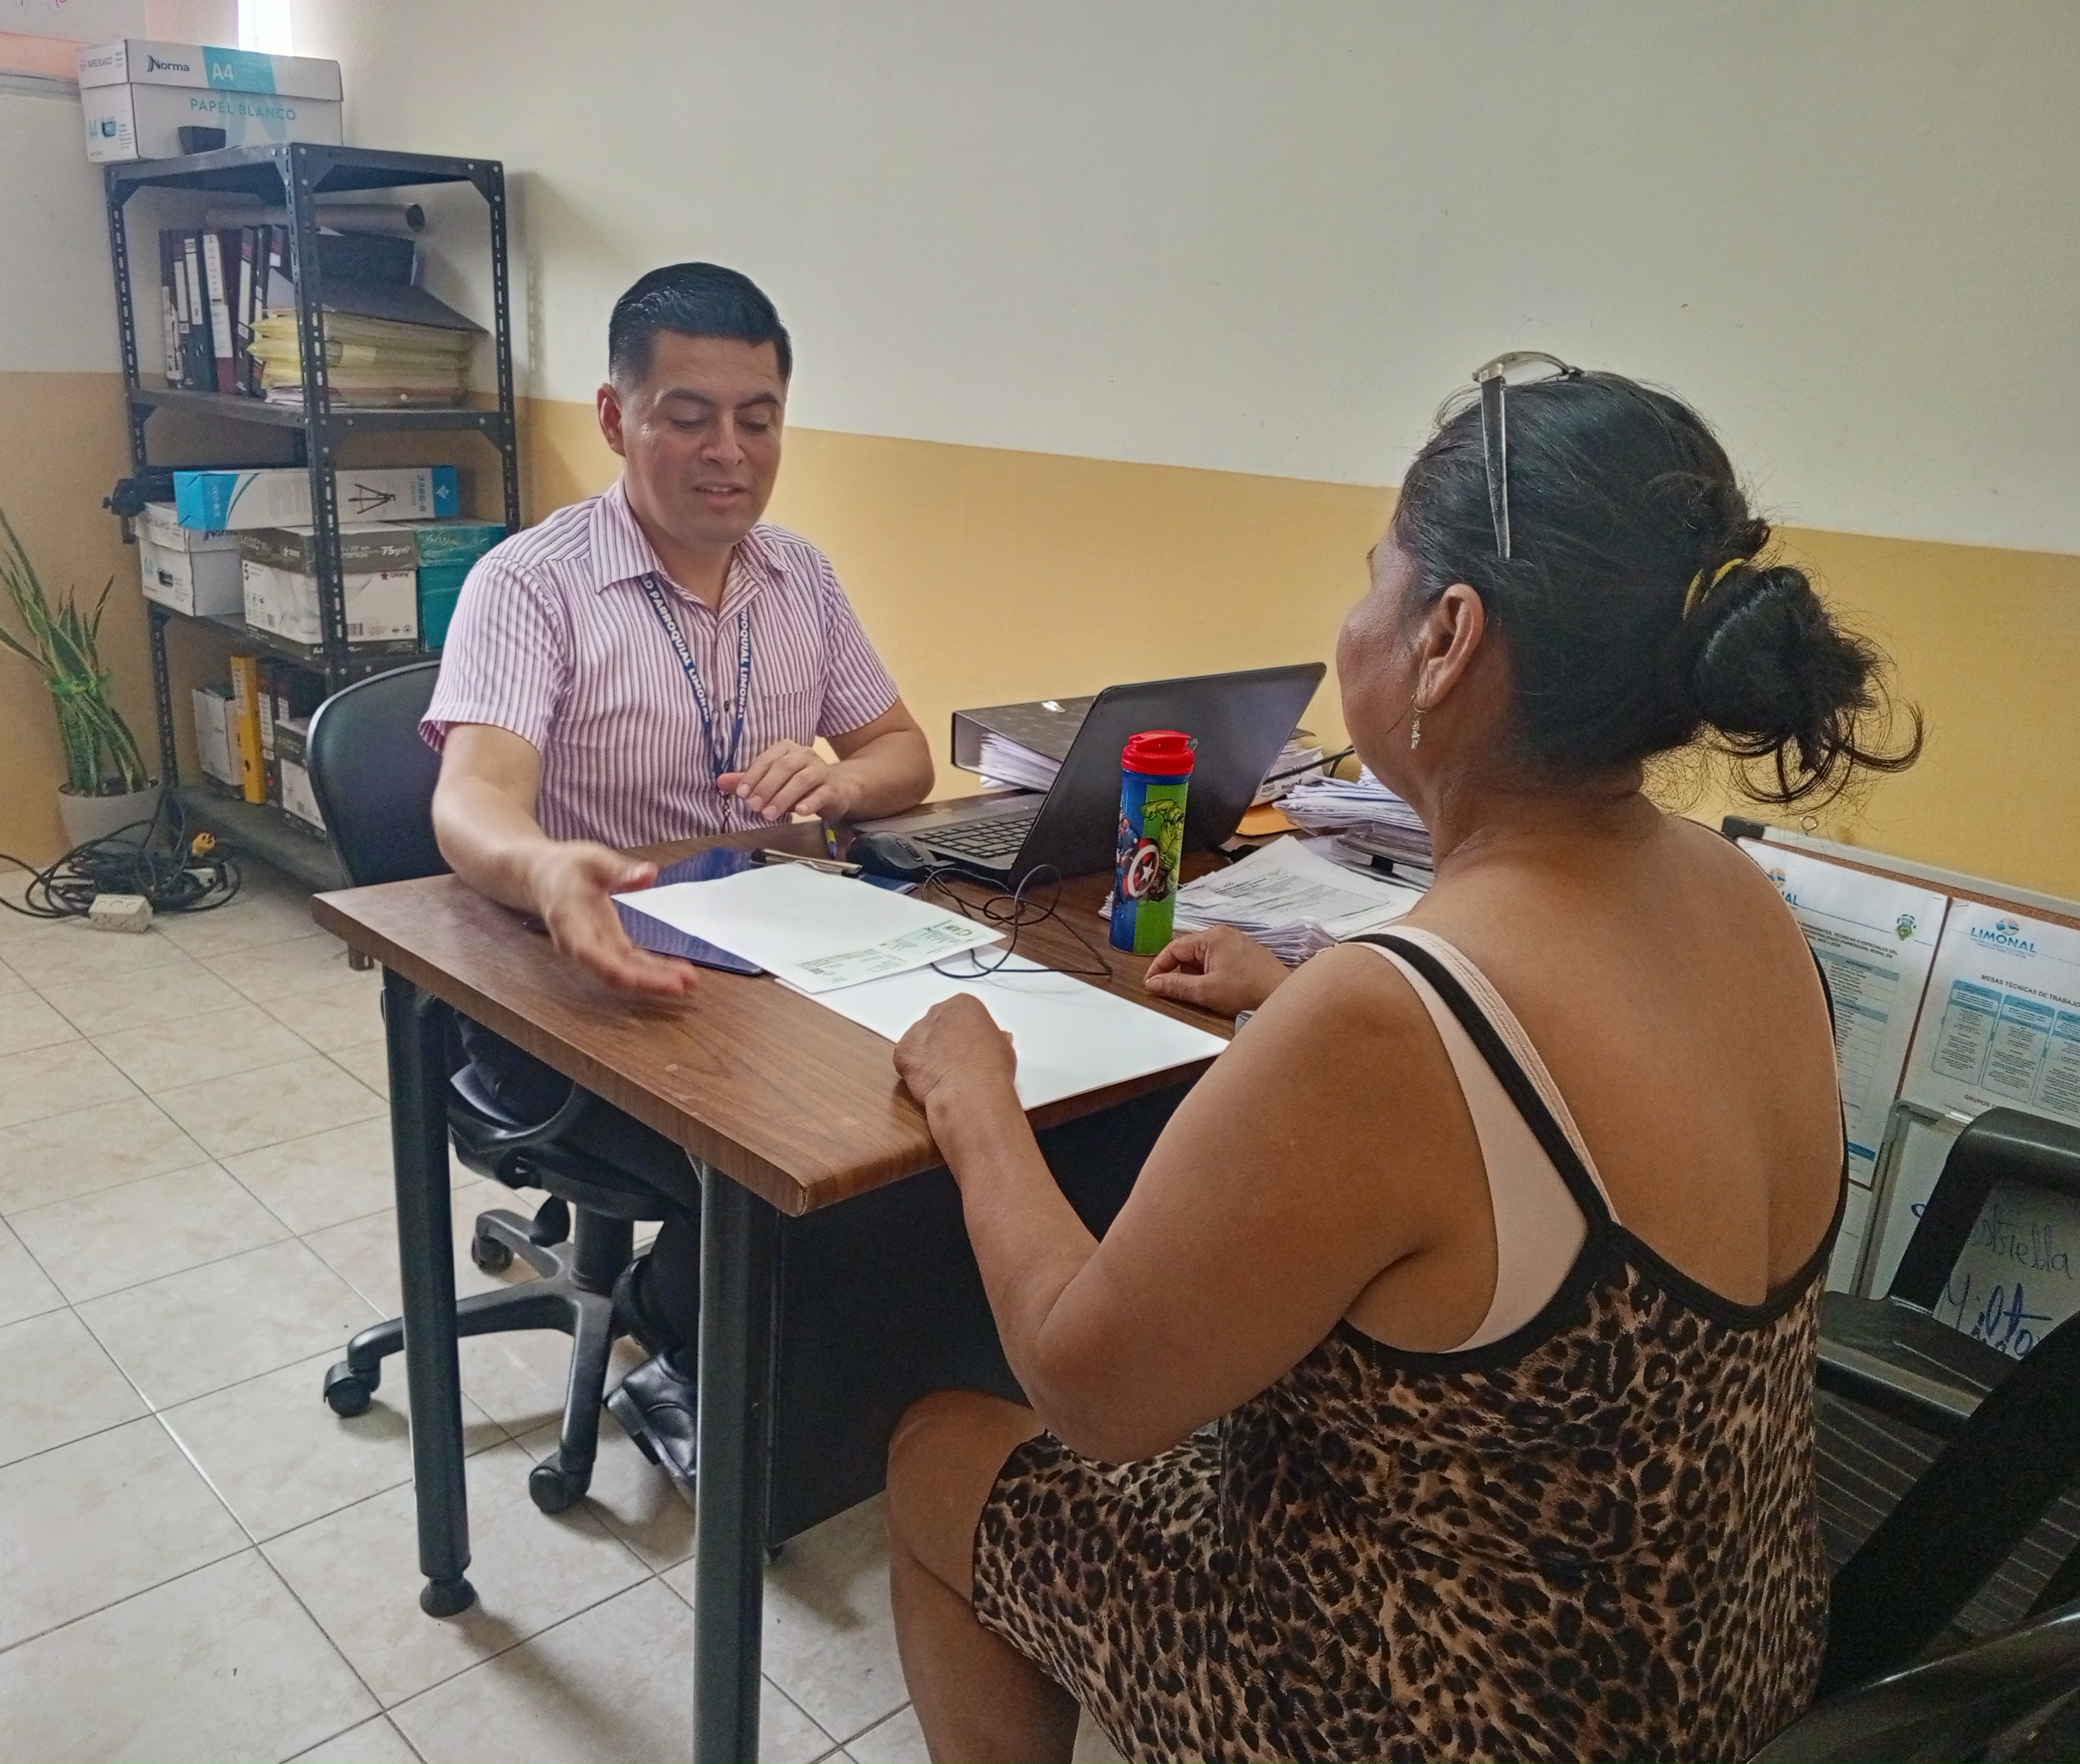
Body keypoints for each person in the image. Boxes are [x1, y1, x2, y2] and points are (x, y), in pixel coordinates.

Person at [881, 361, 1920, 1762]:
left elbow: (1089, 1390)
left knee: (941, 1450)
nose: (1355, 618)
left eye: (1375, 578)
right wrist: (1291, 1005)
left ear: (1446, 638)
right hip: (1723, 1674)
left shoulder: (1393, 1022)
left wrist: (972, 1099)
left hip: (1437, 1716)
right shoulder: (1742, 897)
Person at [423, 262, 934, 1497]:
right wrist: (547, 866)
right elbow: (471, 798)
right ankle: (692, 1344)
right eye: (688, 417)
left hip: (773, 964)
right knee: (817, 1157)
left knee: (939, 1115)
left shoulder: (800, 575)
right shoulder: (532, 583)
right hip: (586, 992)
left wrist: (841, 785)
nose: (729, 453)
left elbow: (903, 754)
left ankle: (757, 1355)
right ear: (616, 418)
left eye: (758, 419)